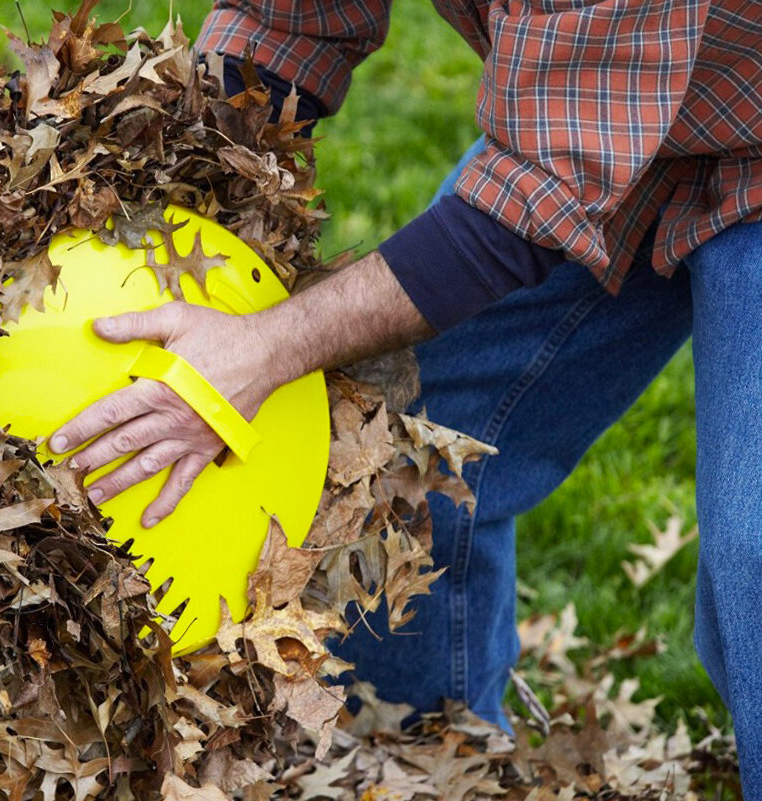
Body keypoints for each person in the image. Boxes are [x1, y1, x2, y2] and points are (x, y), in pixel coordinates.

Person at [49, 1, 762, 795]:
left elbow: (522, 212)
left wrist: (261, 352)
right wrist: (159, 172)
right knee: (402, 450)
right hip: (618, 112)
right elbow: (290, 19)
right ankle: (422, 770)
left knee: (756, 549)